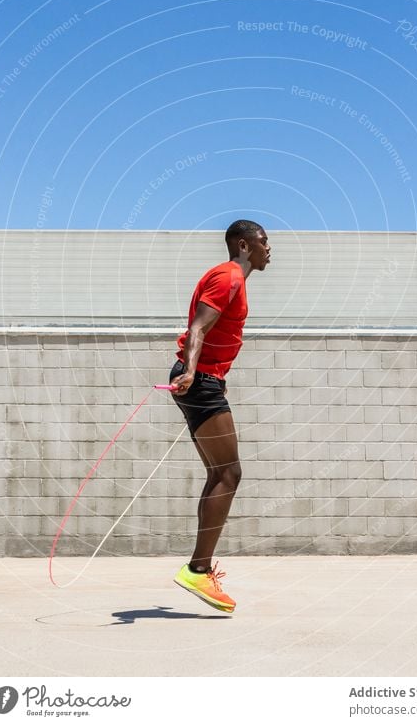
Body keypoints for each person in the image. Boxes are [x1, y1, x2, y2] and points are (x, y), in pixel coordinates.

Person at [168, 220, 271, 613]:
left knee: (220, 474)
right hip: (198, 381)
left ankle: (199, 568)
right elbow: (197, 328)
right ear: (244, 246)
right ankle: (198, 568)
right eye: (263, 242)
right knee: (229, 474)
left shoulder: (233, 280)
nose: (268, 249)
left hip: (206, 380)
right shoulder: (229, 276)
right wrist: (193, 371)